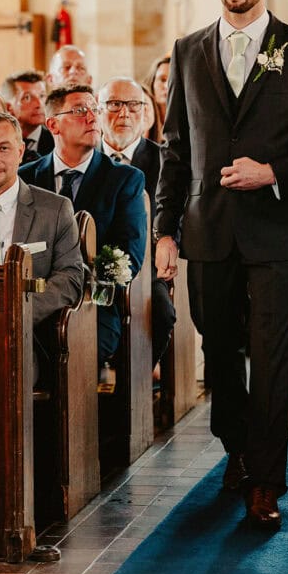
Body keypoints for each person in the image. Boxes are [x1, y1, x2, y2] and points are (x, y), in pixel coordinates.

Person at [154, 0, 288, 532]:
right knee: (219, 349)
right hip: (207, 230)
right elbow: (175, 149)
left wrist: (274, 170)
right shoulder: (188, 51)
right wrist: (165, 229)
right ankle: (235, 446)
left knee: (271, 357)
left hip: (276, 233)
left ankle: (266, 481)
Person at [19, 85, 147, 368]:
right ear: (53, 124)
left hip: (94, 305)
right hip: (33, 302)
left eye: (94, 110)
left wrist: (77, 282)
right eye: (79, 110)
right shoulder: (25, 179)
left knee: (74, 350)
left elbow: (129, 254)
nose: (92, 117)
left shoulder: (124, 178)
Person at [0, 110, 83, 383]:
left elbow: (70, 278)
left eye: (3, 148)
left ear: (20, 151)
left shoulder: (54, 209)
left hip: (22, 341)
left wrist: (17, 313)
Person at [99, 76, 176, 368]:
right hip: (92, 264)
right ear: (98, 110)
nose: (124, 113)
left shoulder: (166, 161)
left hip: (147, 264)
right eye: (114, 104)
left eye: (134, 105)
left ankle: (136, 382)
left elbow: (178, 211)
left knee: (160, 311)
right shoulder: (85, 156)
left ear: (146, 113)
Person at [0, 70, 54, 163]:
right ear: (9, 107)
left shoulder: (56, 139)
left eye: (42, 96)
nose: (39, 104)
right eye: (27, 97)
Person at [143, 54, 170, 135]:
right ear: (152, 83)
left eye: (173, 81)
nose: (167, 86)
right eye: (162, 79)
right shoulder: (142, 120)